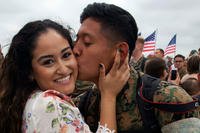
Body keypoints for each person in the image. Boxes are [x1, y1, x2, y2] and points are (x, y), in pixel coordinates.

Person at [72, 2, 200, 133]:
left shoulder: (168, 99)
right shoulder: (81, 104)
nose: (75, 50)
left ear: (121, 52)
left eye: (87, 42)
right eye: (76, 40)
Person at [0, 19, 130, 133]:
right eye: (48, 62)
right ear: (29, 71)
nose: (63, 69)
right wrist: (109, 96)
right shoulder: (51, 104)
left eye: (66, 55)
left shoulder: (27, 100)